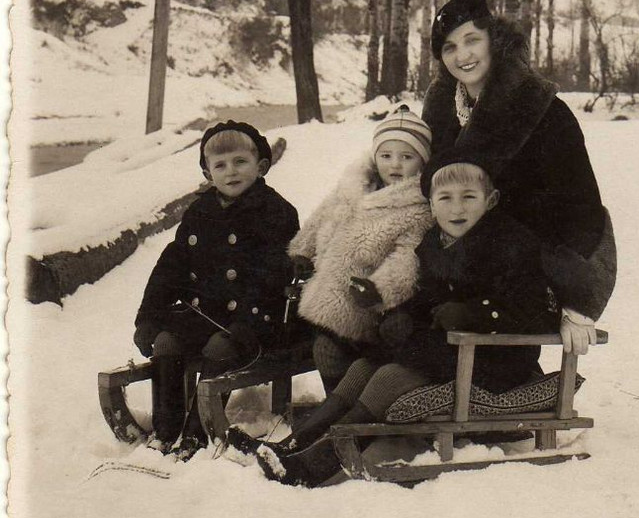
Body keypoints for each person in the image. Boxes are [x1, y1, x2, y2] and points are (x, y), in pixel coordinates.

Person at [236, 149, 559, 488]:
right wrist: (403, 315)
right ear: (431, 205)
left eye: (469, 197)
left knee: (389, 375)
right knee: (363, 367)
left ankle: (317, 463)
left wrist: (474, 313)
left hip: (495, 356)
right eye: (445, 198)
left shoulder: (510, 244)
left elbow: (536, 311)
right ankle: (293, 443)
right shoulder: (435, 243)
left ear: (490, 201)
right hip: (448, 349)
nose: (457, 208)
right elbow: (427, 298)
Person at [421, 0, 616, 353]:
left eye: (471, 40)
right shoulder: (440, 112)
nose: (462, 56)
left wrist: (577, 300)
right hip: (452, 272)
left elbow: (583, 208)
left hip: (523, 277)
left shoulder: (544, 112)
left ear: (493, 41)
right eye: (449, 47)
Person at [133, 119, 300, 460]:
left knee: (218, 347)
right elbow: (172, 267)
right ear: (208, 174)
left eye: (241, 162)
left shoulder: (275, 212)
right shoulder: (200, 211)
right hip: (204, 312)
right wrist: (149, 317)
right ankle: (166, 428)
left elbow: (273, 275)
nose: (231, 172)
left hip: (256, 319)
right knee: (166, 341)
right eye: (220, 165)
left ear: (261, 165)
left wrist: (245, 324)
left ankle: (197, 433)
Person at [279, 104, 434, 394]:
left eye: (407, 157)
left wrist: (381, 289)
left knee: (334, 353)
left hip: (366, 305)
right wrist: (301, 250)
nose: (395, 165)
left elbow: (408, 258)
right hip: (323, 292)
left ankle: (344, 415)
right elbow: (321, 217)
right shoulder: (353, 186)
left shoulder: (418, 207)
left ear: (422, 163)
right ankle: (336, 411)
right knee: (321, 348)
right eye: (386, 156)